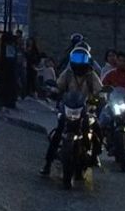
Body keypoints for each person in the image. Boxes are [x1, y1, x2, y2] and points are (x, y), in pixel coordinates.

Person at [40, 46, 104, 177]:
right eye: (76, 58)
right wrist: (53, 91)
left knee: (97, 128)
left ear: (87, 60)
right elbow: (59, 86)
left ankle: (94, 154)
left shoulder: (91, 75)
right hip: (68, 107)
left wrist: (101, 97)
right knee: (58, 133)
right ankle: (47, 163)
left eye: (82, 58)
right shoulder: (68, 73)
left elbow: (99, 89)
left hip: (85, 109)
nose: (79, 62)